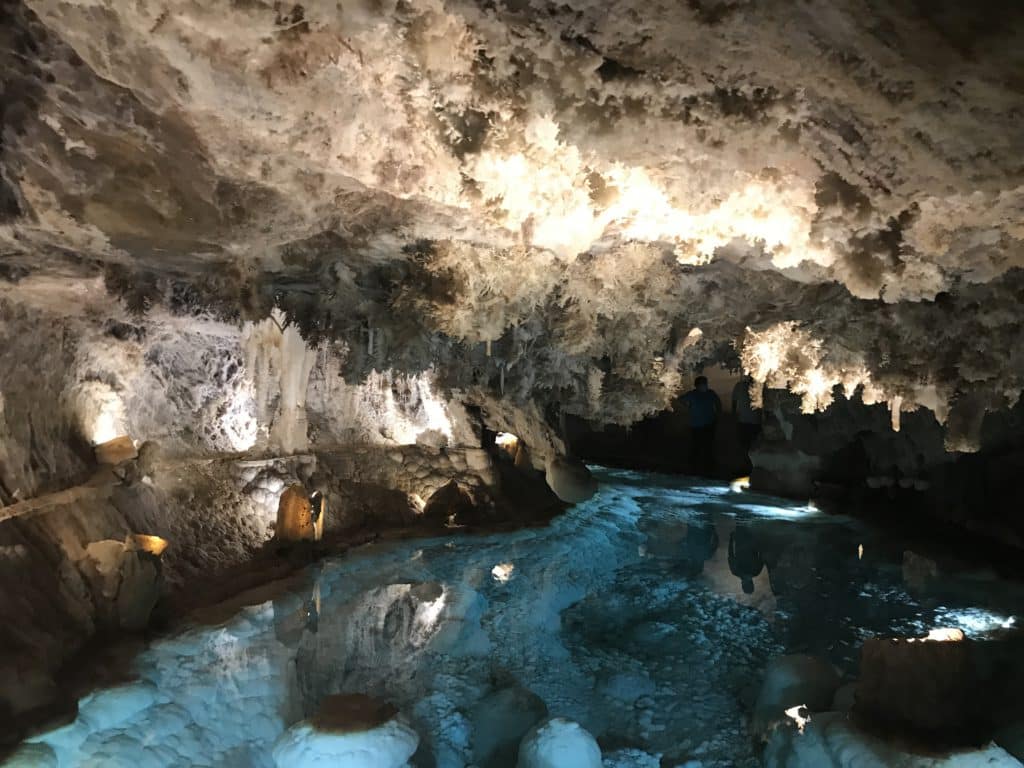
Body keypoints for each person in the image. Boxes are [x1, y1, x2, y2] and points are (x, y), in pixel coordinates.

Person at [681, 375, 721, 475]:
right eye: (703, 384)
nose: (705, 386)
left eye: (705, 384)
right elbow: (681, 399)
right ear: (697, 385)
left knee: (708, 445)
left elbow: (718, 403)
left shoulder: (710, 393)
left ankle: (707, 465)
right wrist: (687, 405)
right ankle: (695, 466)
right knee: (697, 446)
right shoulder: (692, 394)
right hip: (697, 425)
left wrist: (717, 415)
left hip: (708, 424)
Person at [732, 376, 762, 469]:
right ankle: (749, 463)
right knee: (750, 442)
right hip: (752, 420)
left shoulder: (740, 386)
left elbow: (734, 401)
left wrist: (734, 414)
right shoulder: (758, 386)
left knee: (746, 443)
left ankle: (747, 463)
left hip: (747, 420)